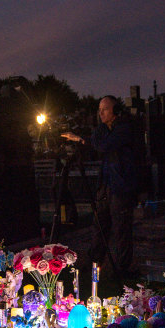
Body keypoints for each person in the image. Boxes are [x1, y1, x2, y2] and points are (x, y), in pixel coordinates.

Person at [62, 95, 137, 277]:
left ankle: (122, 268)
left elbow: (103, 145)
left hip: (120, 185)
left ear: (115, 111)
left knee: (121, 228)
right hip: (105, 184)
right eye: (99, 109)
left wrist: (82, 140)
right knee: (99, 225)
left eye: (104, 109)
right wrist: (83, 140)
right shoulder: (104, 128)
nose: (100, 113)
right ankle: (95, 263)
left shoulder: (124, 128)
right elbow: (95, 141)